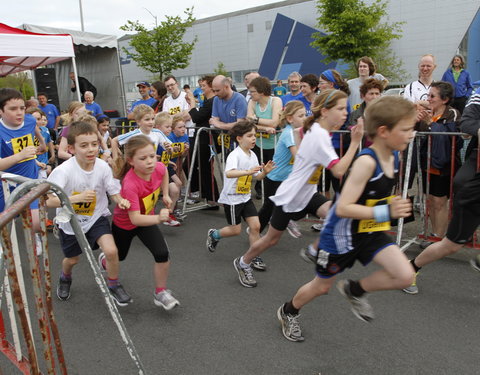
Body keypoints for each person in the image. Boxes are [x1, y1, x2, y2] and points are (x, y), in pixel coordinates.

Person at [276, 95, 416, 342]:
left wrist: (389, 204)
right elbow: (342, 208)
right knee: (322, 287)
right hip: (340, 235)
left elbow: (372, 198)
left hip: (369, 230)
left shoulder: (394, 156)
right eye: (405, 129)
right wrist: (386, 211)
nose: (411, 134)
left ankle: (355, 290)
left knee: (405, 275)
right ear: (383, 131)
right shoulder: (365, 162)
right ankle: (289, 311)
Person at [233, 89, 363, 288]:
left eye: (345, 108)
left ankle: (314, 250)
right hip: (291, 195)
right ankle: (243, 262)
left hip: (308, 192)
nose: (345, 113)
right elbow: (338, 170)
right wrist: (355, 142)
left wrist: (303, 153)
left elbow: (297, 131)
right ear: (325, 111)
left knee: (338, 214)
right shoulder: (319, 134)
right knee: (271, 239)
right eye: (340, 108)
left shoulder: (316, 130)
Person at [402, 86, 480, 295]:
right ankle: (411, 268)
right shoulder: (478, 95)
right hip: (472, 186)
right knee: (451, 245)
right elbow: (468, 122)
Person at [47, 121, 132, 305]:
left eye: (94, 144)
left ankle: (114, 284)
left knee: (110, 250)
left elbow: (112, 190)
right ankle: (65, 277)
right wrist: (76, 199)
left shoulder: (102, 167)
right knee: (72, 260)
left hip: (96, 217)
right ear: (71, 148)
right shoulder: (63, 171)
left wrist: (120, 200)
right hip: (71, 222)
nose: (90, 149)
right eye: (84, 146)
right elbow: (49, 200)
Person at [111, 135, 180, 310]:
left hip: (146, 221)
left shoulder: (156, 167)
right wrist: (159, 218)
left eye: (151, 156)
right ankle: (107, 260)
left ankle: (160, 292)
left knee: (162, 253)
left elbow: (164, 171)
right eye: (143, 158)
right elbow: (135, 219)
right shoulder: (130, 184)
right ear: (131, 161)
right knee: (119, 257)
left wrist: (165, 194)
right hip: (125, 224)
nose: (150, 162)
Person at [206, 120, 275, 270]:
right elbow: (229, 173)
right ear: (239, 138)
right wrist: (247, 172)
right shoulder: (234, 155)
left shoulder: (253, 155)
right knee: (235, 230)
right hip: (232, 198)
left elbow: (257, 177)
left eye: (255, 135)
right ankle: (215, 235)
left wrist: (265, 172)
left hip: (245, 197)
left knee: (256, 227)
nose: (253, 138)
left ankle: (254, 255)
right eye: (250, 135)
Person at [0, 88, 46, 252]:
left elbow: (34, 129)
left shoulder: (29, 120)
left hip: (28, 179)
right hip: (6, 183)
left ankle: (35, 239)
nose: (19, 113)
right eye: (13, 109)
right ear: (1, 111)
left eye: (21, 108)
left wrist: (42, 143)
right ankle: (6, 251)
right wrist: (20, 155)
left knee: (35, 222)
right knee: (5, 221)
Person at [257, 101, 305, 234]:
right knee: (268, 207)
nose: (305, 118)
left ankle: (287, 219)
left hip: (287, 177)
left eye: (305, 114)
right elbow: (298, 155)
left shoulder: (298, 132)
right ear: (290, 119)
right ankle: (255, 230)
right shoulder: (289, 133)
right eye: (300, 116)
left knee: (296, 199)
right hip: (275, 176)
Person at [247, 76, 282, 201]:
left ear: (261, 92)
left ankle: (274, 196)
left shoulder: (276, 101)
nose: (250, 94)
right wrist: (265, 128)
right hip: (258, 143)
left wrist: (256, 120)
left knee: (273, 171)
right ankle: (260, 191)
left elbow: (274, 122)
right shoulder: (252, 102)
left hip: (275, 144)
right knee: (259, 168)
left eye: (252, 92)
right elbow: (248, 123)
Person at [186, 75, 220, 203]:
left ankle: (212, 198)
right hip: (201, 138)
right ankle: (203, 194)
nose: (201, 89)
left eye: (203, 86)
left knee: (204, 169)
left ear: (211, 86)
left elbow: (196, 117)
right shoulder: (207, 101)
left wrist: (193, 103)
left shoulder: (213, 101)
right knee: (193, 166)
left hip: (206, 140)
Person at [154, 112, 182, 227]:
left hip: (163, 167)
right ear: (158, 127)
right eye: (167, 126)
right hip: (152, 169)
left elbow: (170, 152)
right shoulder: (152, 137)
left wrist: (173, 153)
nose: (170, 129)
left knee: (176, 188)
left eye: (171, 126)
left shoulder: (165, 138)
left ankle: (169, 213)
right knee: (152, 195)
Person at [27, 107, 55, 178]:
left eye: (39, 119)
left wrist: (53, 154)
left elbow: (49, 142)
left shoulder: (45, 130)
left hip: (43, 164)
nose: (36, 121)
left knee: (42, 184)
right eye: (34, 119)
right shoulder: (26, 134)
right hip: (31, 165)